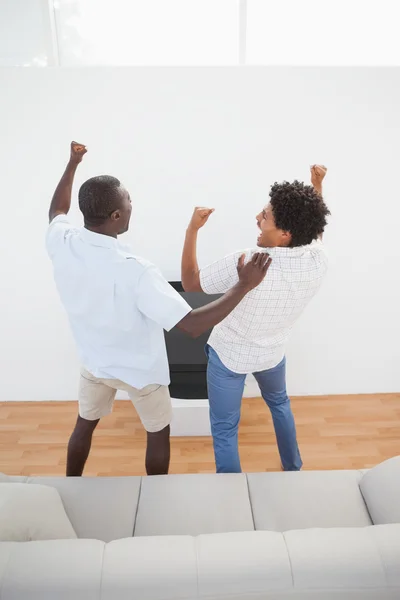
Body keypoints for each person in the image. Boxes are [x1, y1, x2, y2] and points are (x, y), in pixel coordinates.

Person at [46, 141, 271, 477]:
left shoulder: (62, 242)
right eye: (129, 202)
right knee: (158, 432)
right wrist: (244, 285)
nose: (132, 205)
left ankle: (71, 484)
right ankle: (156, 495)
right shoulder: (136, 270)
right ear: (117, 215)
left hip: (95, 363)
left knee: (84, 426)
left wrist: (72, 162)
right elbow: (192, 325)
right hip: (142, 373)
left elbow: (57, 210)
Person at [181, 166, 330, 473]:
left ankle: (232, 495)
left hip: (229, 358)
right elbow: (314, 230)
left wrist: (192, 230)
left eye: (265, 216)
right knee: (280, 405)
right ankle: (294, 469)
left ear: (285, 235)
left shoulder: (248, 261)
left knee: (224, 429)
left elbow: (191, 284)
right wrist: (317, 185)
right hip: (272, 354)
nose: (257, 219)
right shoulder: (318, 261)